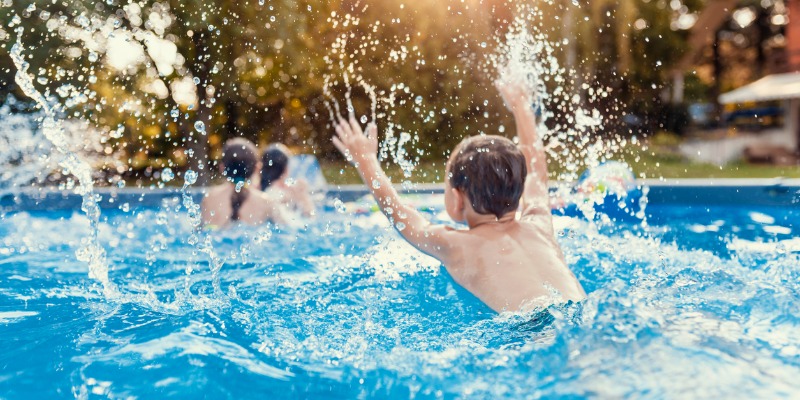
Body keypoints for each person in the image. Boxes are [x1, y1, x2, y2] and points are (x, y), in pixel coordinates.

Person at [330, 81, 586, 313]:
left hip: (533, 329)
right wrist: (520, 106)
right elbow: (536, 169)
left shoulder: (457, 245)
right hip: (580, 313)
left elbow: (399, 213)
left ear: (457, 197)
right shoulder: (540, 223)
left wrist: (366, 162)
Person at [201, 138, 286, 227]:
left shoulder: (209, 198)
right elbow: (286, 229)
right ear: (257, 168)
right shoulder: (266, 202)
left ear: (222, 168)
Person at [260, 143, 315, 217]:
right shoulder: (290, 192)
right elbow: (310, 216)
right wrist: (303, 195)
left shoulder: (258, 189)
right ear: (286, 169)